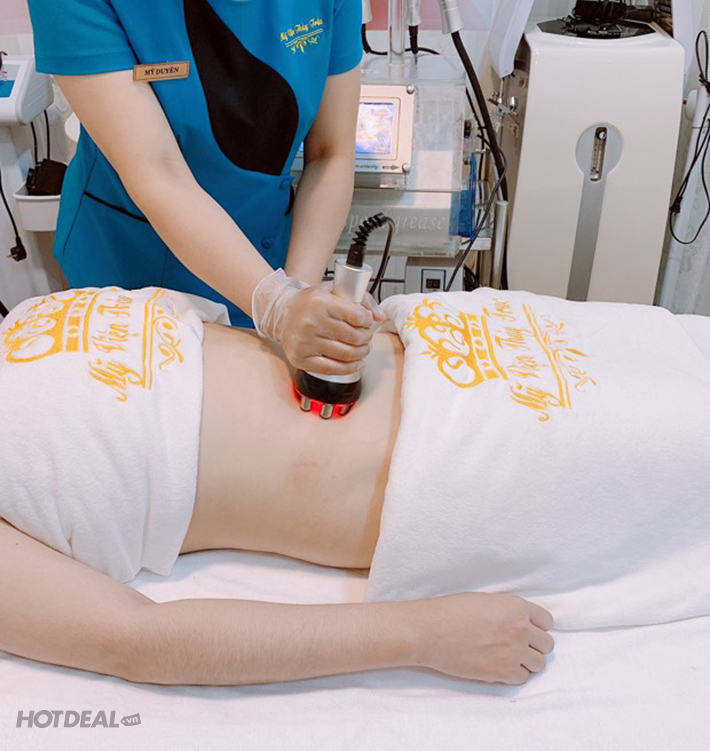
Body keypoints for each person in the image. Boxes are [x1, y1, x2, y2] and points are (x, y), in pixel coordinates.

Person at [0, 287, 554, 689]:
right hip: (482, 461)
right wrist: (421, 634)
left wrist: (300, 306)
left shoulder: (26, 315)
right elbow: (137, 641)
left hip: (501, 339)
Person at [25, 0, 384, 376]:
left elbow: (330, 154)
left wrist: (298, 295)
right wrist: (277, 304)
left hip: (266, 253)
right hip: (129, 268)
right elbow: (158, 172)